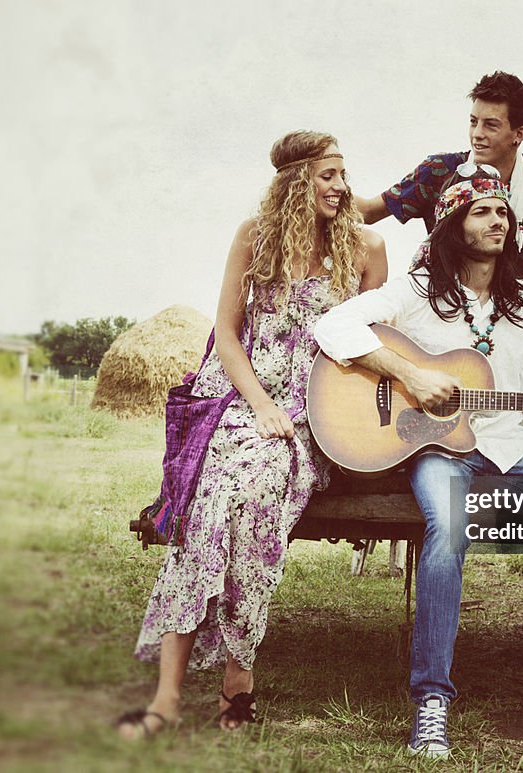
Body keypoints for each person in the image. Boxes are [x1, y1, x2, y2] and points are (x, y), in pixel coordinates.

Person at [315, 172, 523, 758]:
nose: (497, 221)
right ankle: (432, 702)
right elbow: (333, 325)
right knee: (448, 534)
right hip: (438, 449)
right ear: (454, 223)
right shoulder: (416, 289)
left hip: (508, 447)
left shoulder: (522, 305)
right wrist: (410, 374)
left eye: (503, 212)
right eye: (481, 212)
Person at [116, 130, 387, 739]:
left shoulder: (368, 248)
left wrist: (299, 417)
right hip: (241, 399)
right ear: (296, 181)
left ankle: (238, 675)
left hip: (316, 414)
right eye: (328, 175)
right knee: (210, 506)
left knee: (259, 501)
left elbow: (370, 347)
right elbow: (228, 332)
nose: (342, 187)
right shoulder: (255, 238)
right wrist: (261, 405)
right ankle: (166, 698)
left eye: (344, 174)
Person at [355, 71, 523, 283]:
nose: (477, 134)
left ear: (519, 134)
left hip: (515, 314)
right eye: (473, 122)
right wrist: (321, 181)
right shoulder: (439, 170)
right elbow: (367, 211)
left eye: (491, 126)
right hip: (442, 307)